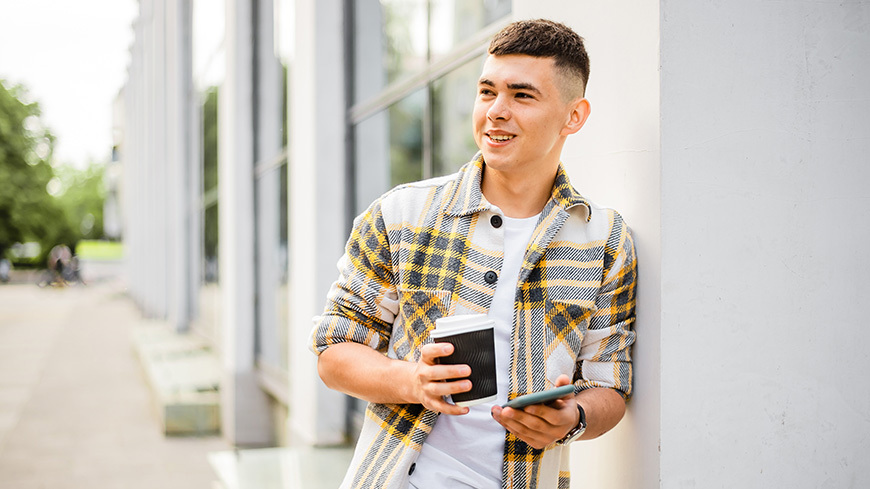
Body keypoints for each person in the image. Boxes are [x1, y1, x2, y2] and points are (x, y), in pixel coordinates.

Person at [311, 19, 637, 489]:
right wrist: (412, 382)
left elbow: (610, 385)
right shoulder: (402, 214)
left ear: (574, 116)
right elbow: (333, 351)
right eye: (487, 92)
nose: (496, 112)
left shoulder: (605, 241)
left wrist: (574, 418)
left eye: (522, 96)